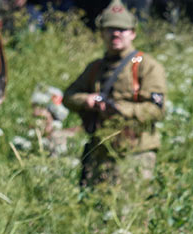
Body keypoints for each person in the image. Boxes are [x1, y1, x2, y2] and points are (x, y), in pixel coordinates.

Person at [63, 0, 166, 187]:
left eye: (122, 29)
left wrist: (120, 109)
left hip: (135, 152)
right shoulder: (95, 67)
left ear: (133, 33)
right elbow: (68, 96)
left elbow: (156, 109)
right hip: (99, 151)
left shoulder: (145, 66)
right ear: (102, 33)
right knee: (93, 202)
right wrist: (87, 100)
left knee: (129, 203)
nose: (115, 33)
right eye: (110, 29)